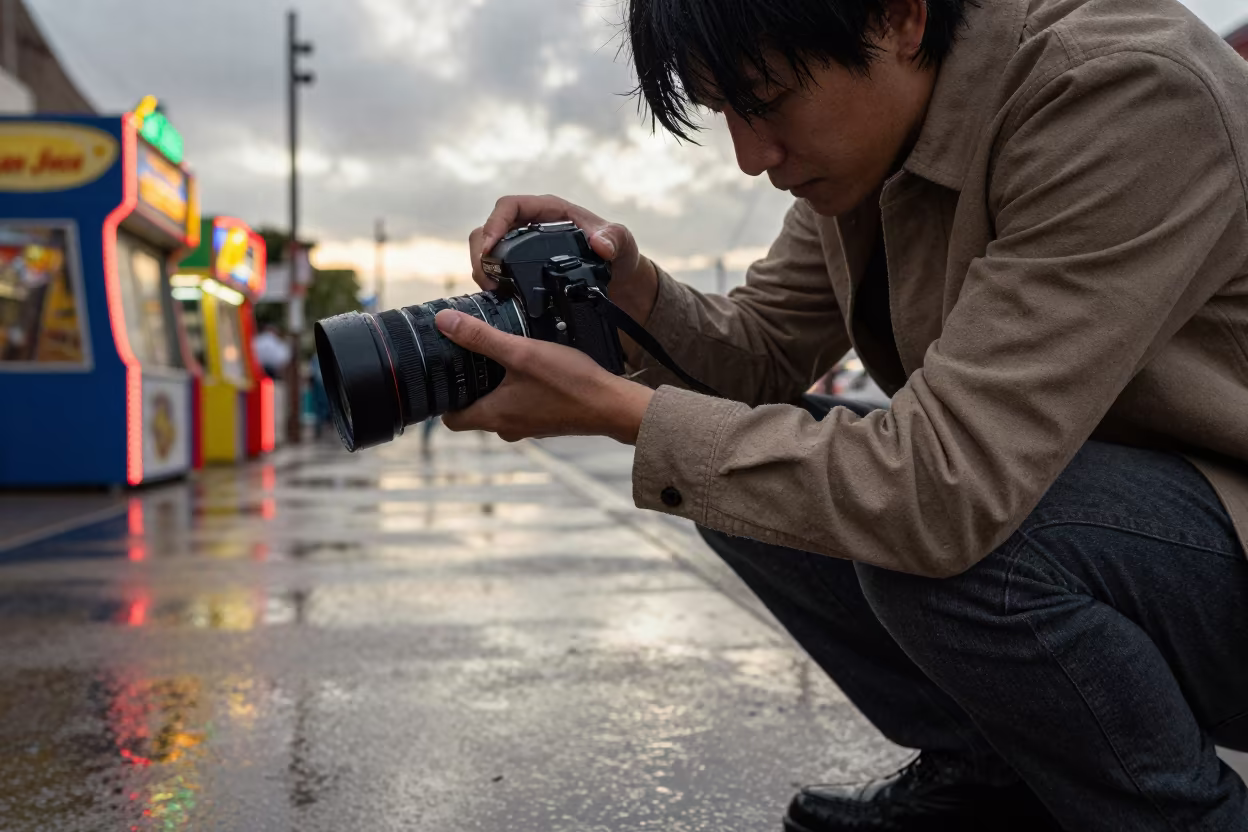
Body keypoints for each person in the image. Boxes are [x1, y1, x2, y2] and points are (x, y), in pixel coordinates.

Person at [431, 0, 1248, 828]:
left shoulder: (1120, 93)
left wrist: (629, 417)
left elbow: (941, 491)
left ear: (900, 17)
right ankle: (991, 773)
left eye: (767, 100)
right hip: (1135, 532)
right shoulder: (880, 138)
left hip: (1221, 530)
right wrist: (627, 290)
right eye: (726, 117)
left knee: (946, 543)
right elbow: (757, 357)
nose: (754, 157)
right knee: (735, 471)